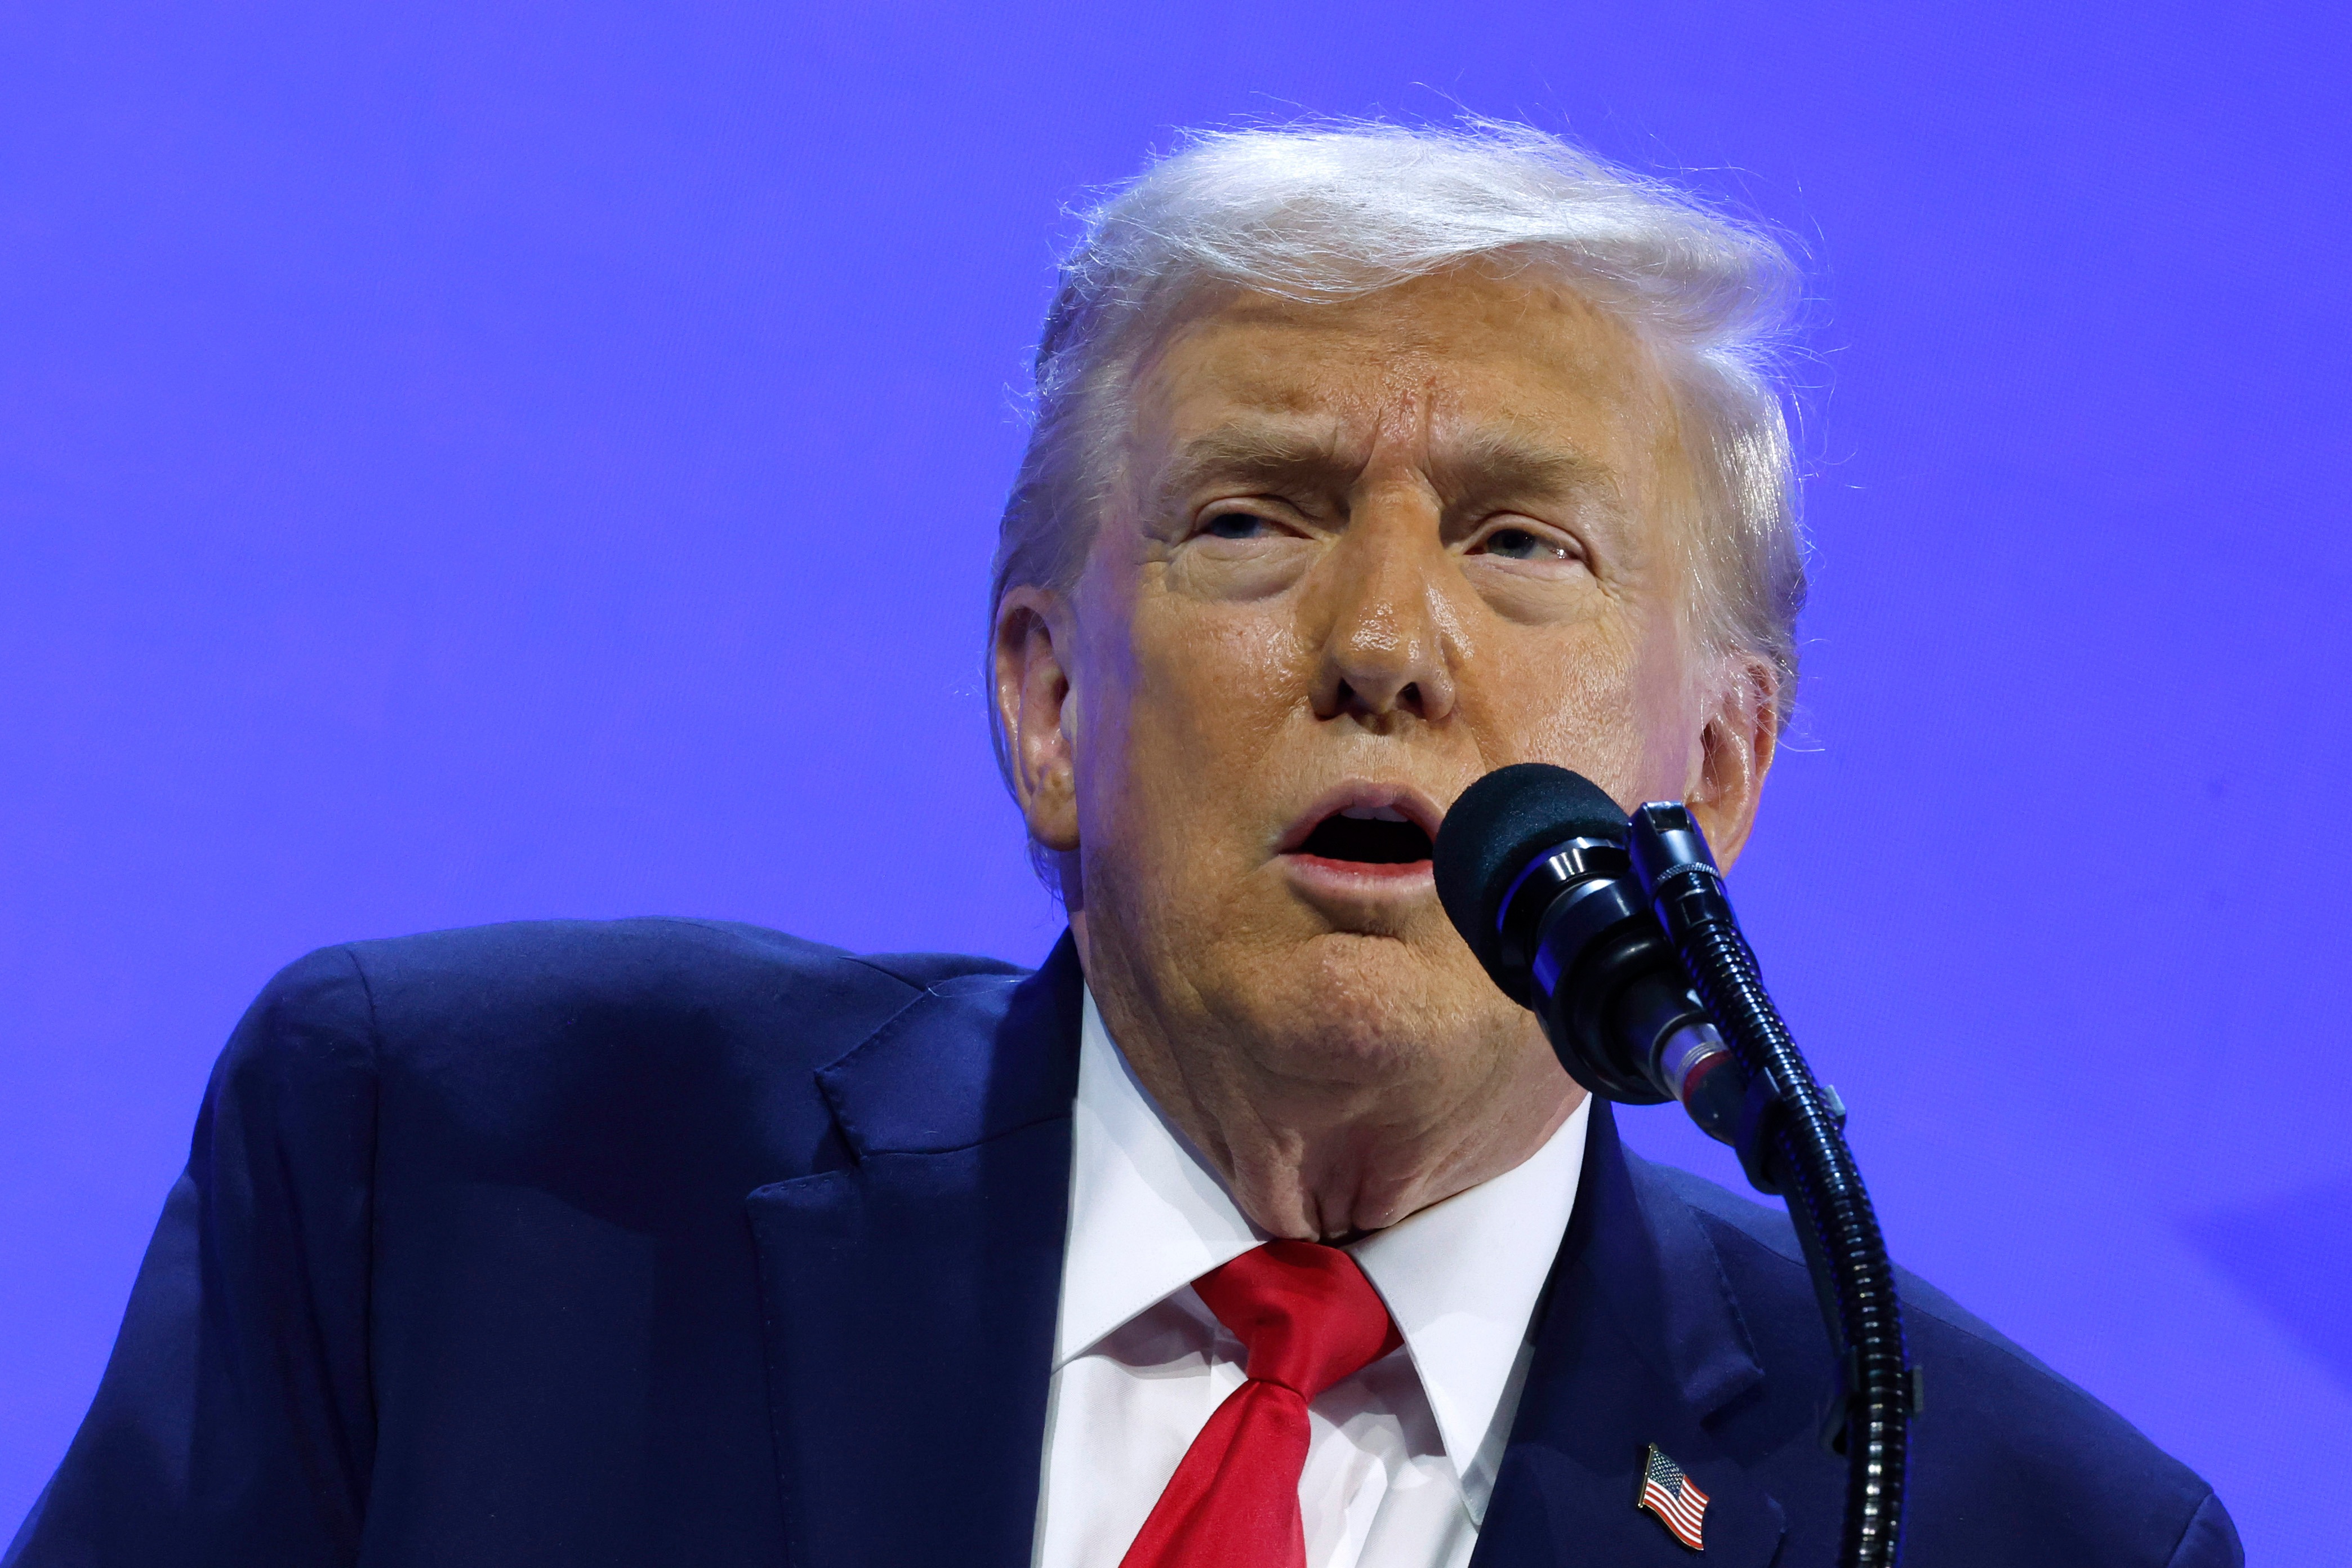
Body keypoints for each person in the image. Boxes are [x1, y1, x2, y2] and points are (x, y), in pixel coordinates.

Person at [5, 121, 2238, 1568]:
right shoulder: (457, 1175)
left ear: (1717, 777)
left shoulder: (2004, 1527)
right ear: (1050, 703)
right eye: (1251, 521)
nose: (1386, 644)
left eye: (1521, 544)